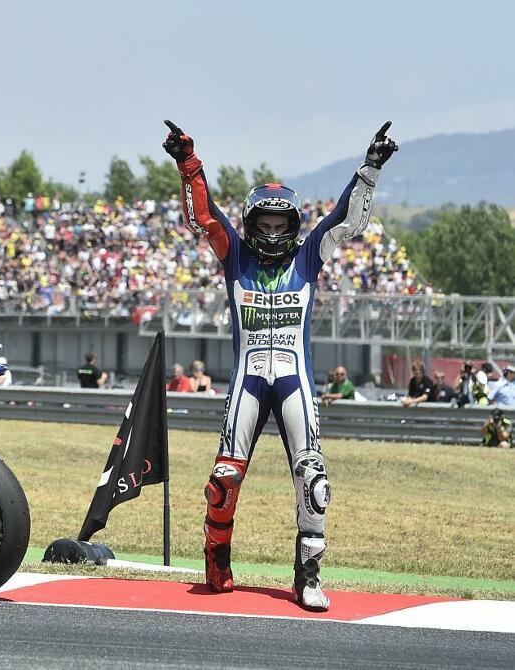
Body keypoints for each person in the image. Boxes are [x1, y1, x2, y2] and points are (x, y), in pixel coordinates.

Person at [163, 118, 398, 611]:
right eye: (264, 225)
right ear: (251, 226)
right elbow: (204, 218)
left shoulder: (310, 256)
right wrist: (189, 163)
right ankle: (216, 560)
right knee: (223, 478)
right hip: (247, 380)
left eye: (280, 226)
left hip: (296, 383)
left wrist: (370, 168)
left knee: (313, 479)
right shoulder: (234, 258)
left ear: (293, 229)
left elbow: (344, 220)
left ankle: (308, 576)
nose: (272, 234)